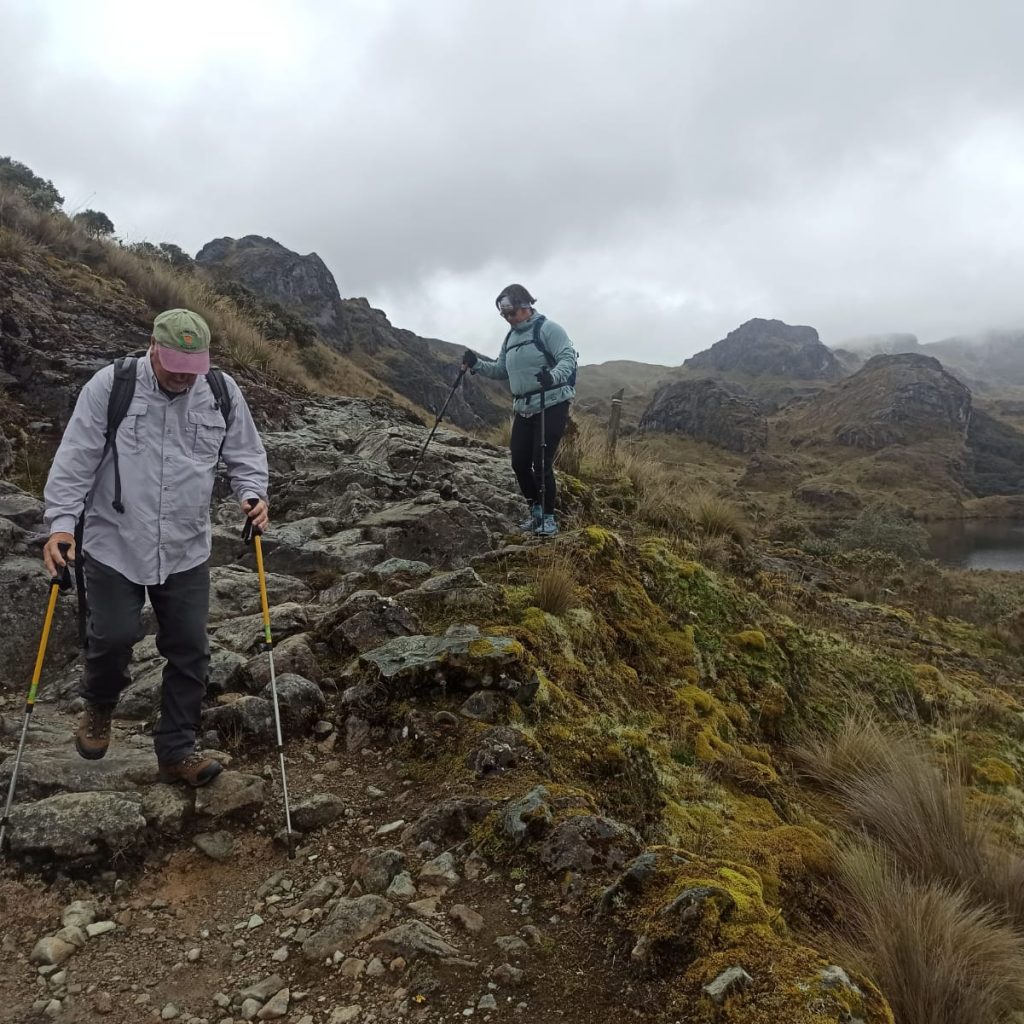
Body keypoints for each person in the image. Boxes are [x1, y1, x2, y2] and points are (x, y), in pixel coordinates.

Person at [42, 308, 270, 787]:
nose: (184, 378)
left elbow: (245, 454)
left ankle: (176, 752)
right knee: (113, 636)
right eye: (174, 367)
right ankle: (100, 706)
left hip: (186, 545)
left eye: (193, 369)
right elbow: (76, 457)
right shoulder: (112, 385)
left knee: (190, 648)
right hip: (113, 540)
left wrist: (253, 495)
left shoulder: (221, 392)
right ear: (153, 347)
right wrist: (62, 524)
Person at [462, 285, 576, 536]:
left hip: (552, 404)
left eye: (511, 314)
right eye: (504, 315)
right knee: (519, 461)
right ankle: (534, 510)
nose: (508, 319)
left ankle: (548, 518)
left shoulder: (548, 329)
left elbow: (568, 358)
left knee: (541, 462)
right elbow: (502, 370)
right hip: (523, 408)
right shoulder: (510, 338)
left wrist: (553, 376)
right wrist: (476, 365)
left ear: (526, 306)